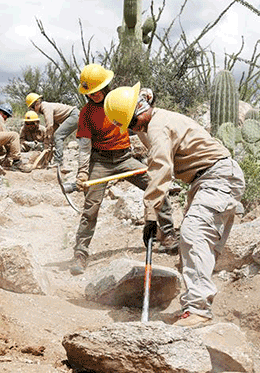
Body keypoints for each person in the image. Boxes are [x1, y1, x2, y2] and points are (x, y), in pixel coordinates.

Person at [103, 83, 246, 327]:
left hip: (218, 176)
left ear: (140, 110)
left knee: (194, 233)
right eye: (128, 127)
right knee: (195, 244)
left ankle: (198, 310)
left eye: (132, 124)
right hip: (204, 180)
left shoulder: (157, 127)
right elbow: (147, 92)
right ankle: (195, 306)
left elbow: (160, 171)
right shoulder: (148, 118)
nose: (132, 130)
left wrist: (150, 215)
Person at [70, 64, 179, 276]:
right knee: (91, 207)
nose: (94, 95)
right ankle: (80, 253)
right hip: (100, 161)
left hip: (124, 158)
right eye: (90, 92)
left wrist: (147, 94)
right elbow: (84, 146)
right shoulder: (86, 113)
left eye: (97, 90)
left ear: (106, 86)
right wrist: (82, 172)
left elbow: (145, 98)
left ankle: (167, 235)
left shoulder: (120, 98)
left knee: (156, 185)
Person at [25, 92, 79, 167]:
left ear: (36, 104)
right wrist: (50, 140)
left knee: (58, 136)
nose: (32, 110)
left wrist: (47, 139)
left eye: (32, 108)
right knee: (56, 136)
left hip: (73, 115)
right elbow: (54, 125)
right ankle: (52, 160)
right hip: (72, 116)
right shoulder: (44, 109)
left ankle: (58, 161)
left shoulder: (45, 107)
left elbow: (49, 125)